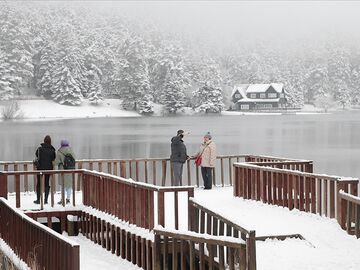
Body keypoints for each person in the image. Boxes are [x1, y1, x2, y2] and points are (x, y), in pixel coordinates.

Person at [33, 135, 56, 204]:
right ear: (50, 141)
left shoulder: (40, 149)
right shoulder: (52, 150)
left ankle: (38, 200)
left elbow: (36, 154)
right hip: (48, 168)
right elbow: (53, 158)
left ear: (44, 141)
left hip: (40, 168)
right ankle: (45, 200)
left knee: (39, 183)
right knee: (46, 183)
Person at [55, 139, 76, 204]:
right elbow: (74, 158)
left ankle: (62, 199)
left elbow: (56, 162)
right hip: (70, 169)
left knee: (62, 185)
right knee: (69, 185)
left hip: (63, 170)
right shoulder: (71, 150)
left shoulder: (59, 151)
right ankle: (68, 199)